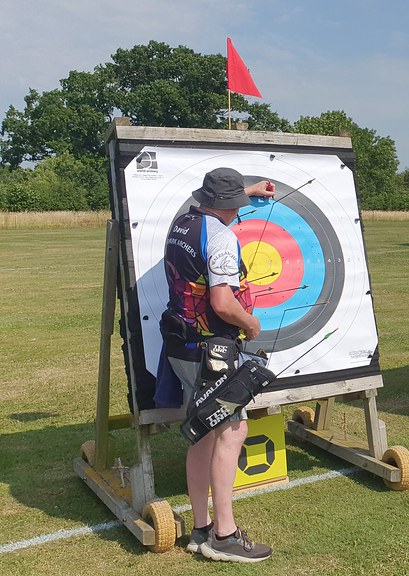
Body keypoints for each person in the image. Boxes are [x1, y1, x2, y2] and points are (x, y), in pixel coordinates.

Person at [160, 167, 274, 562]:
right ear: (229, 206)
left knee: (203, 433)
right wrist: (250, 322)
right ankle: (224, 536)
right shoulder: (223, 237)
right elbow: (224, 303)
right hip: (213, 351)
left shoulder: (184, 222)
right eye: (240, 204)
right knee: (231, 430)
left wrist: (251, 189)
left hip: (181, 343)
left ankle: (200, 529)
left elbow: (224, 199)